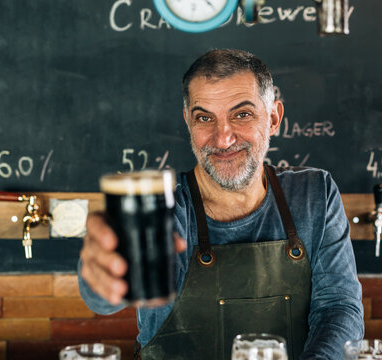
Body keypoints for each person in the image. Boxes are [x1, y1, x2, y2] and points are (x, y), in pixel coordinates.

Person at [79, 49, 364, 359]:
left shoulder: (314, 193)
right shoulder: (161, 207)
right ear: (188, 120)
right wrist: (103, 278)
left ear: (273, 118)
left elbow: (339, 307)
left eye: (242, 114)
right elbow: (105, 295)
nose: (223, 138)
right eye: (205, 118)